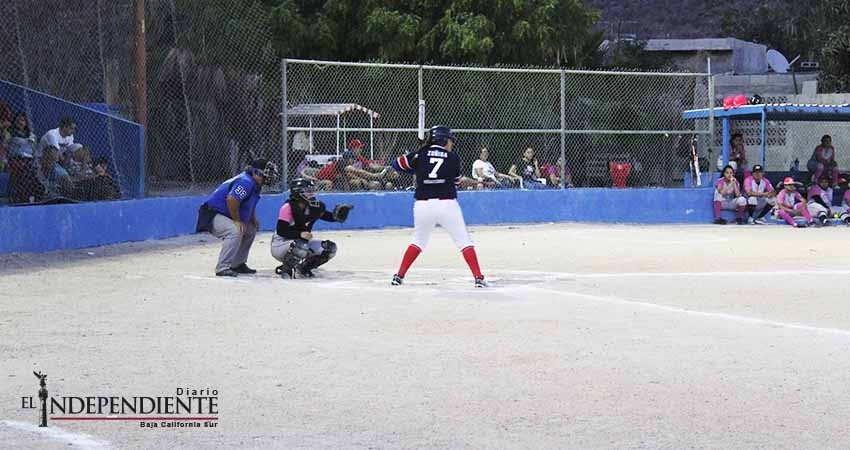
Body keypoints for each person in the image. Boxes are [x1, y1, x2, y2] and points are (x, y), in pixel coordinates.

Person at [389, 125, 486, 287]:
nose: (451, 144)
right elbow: (457, 181)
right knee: (463, 240)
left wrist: (419, 166)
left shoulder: (419, 154)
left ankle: (399, 276)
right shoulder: (452, 157)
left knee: (418, 240)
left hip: (422, 205)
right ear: (443, 140)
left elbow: (397, 164)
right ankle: (478, 278)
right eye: (450, 141)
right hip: (447, 203)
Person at [197, 159, 278, 277]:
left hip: (223, 213)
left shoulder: (255, 184)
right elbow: (232, 199)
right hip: (211, 214)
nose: (268, 177)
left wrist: (253, 219)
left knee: (250, 229)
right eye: (266, 174)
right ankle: (222, 267)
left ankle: (238, 264)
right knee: (234, 230)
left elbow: (250, 204)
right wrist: (236, 220)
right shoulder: (245, 182)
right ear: (255, 172)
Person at [270, 178, 353, 278]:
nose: (312, 194)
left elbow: (329, 216)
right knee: (301, 246)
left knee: (329, 248)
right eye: (308, 191)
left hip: (300, 242)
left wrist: (338, 216)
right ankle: (286, 271)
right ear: (298, 192)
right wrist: (300, 234)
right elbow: (281, 230)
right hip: (280, 244)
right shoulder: (288, 207)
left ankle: (303, 268)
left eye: (312, 191)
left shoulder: (313, 207)